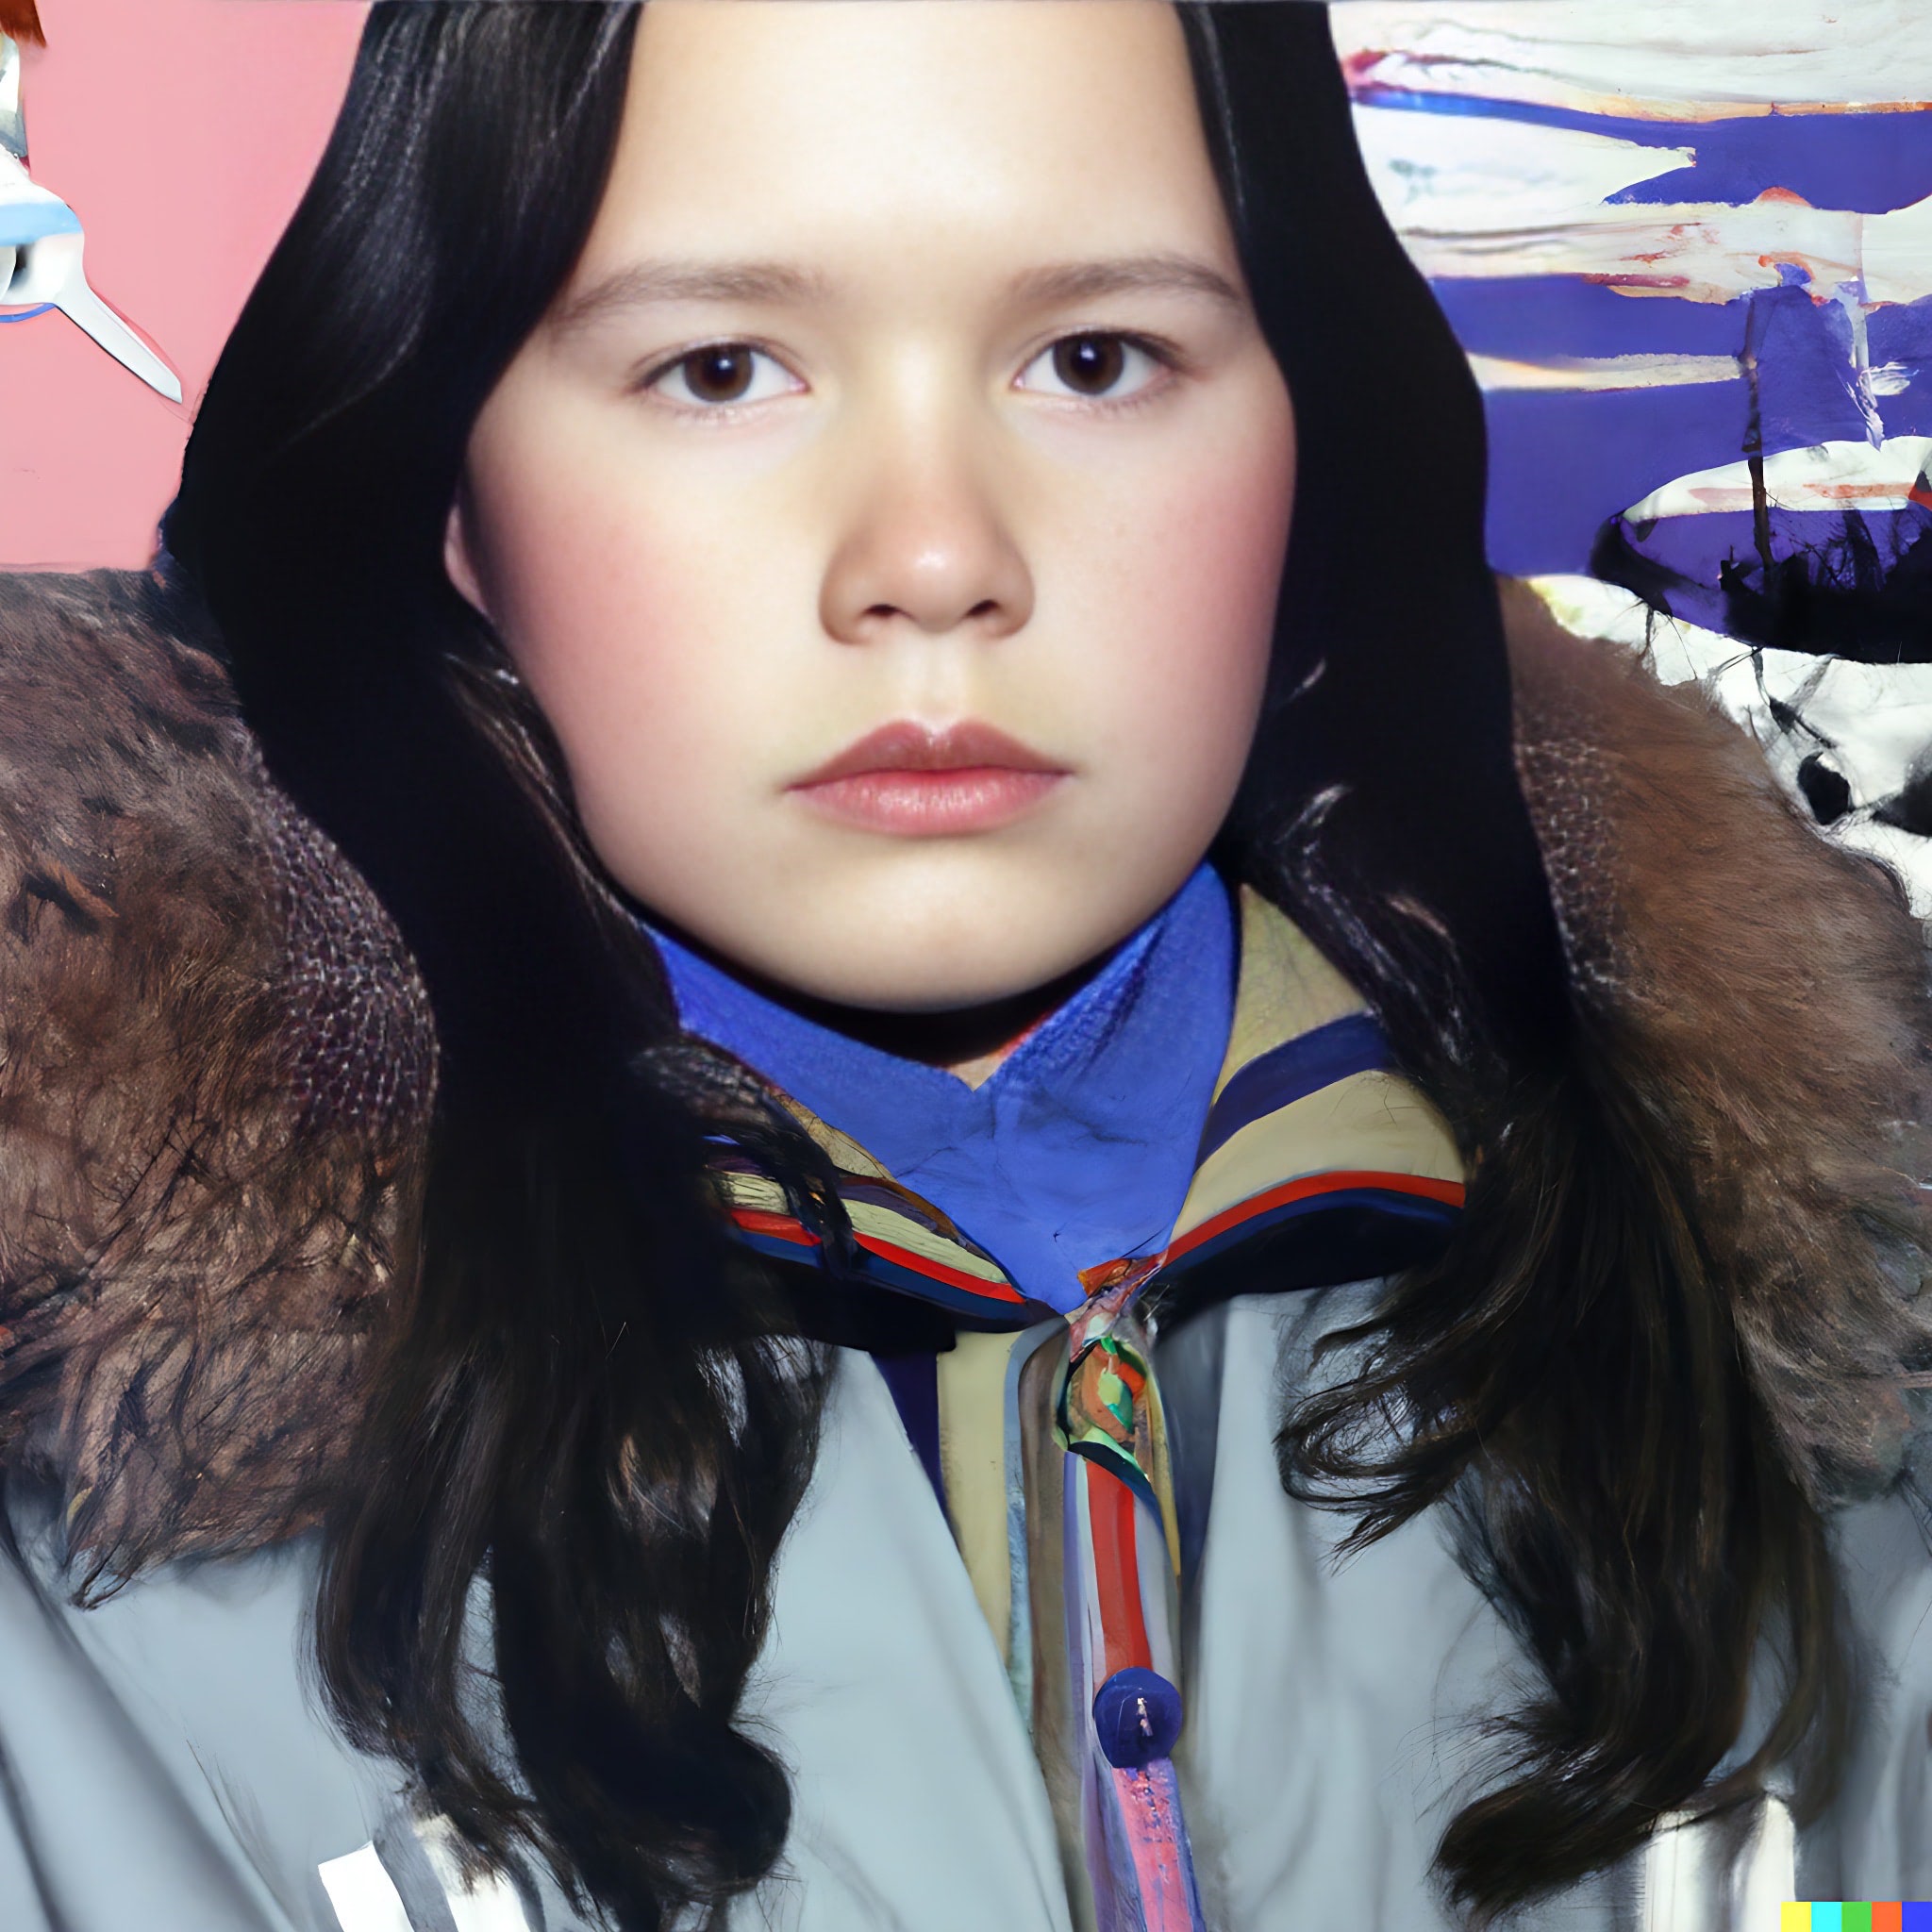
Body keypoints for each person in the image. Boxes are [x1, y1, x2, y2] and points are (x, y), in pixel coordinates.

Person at [0, 5, 1927, 1928]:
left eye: (1095, 359)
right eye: (720, 368)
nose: (933, 557)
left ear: (1307, 437)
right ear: (448, 492)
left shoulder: (1836, 1359)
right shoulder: (61, 1573)